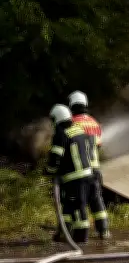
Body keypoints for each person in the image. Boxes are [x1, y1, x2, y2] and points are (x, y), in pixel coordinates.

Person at [44, 104, 94, 244]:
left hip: (74, 177)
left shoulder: (61, 133)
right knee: (69, 206)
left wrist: (49, 170)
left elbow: (56, 156)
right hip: (86, 174)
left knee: (77, 206)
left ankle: (80, 237)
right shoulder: (78, 129)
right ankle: (64, 233)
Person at [68, 90, 110, 240]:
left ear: (71, 105)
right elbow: (98, 145)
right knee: (97, 200)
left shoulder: (73, 122)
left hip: (80, 169)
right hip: (96, 168)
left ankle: (80, 234)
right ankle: (103, 230)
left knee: (80, 202)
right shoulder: (94, 122)